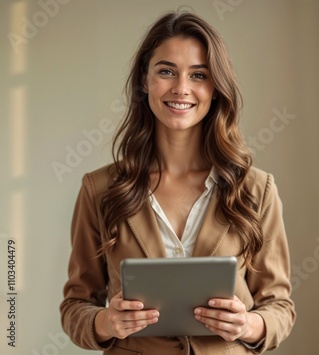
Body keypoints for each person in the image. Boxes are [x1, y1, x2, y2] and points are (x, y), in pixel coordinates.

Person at [60, 10, 296, 355]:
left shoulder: (257, 190)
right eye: (166, 71)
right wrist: (105, 322)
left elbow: (280, 307)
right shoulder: (99, 189)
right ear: (145, 80)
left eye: (199, 75)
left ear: (215, 88)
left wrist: (248, 324)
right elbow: (76, 305)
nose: (181, 89)